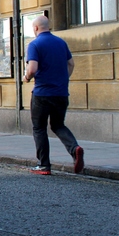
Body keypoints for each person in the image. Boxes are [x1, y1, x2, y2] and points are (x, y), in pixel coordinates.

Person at [23, 15, 84, 175]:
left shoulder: (34, 44)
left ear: (36, 28)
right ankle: (74, 148)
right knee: (58, 125)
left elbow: (32, 68)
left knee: (39, 128)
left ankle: (44, 165)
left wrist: (27, 77)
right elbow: (71, 63)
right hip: (61, 93)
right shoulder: (61, 43)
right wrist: (62, 79)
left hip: (42, 93)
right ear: (47, 26)